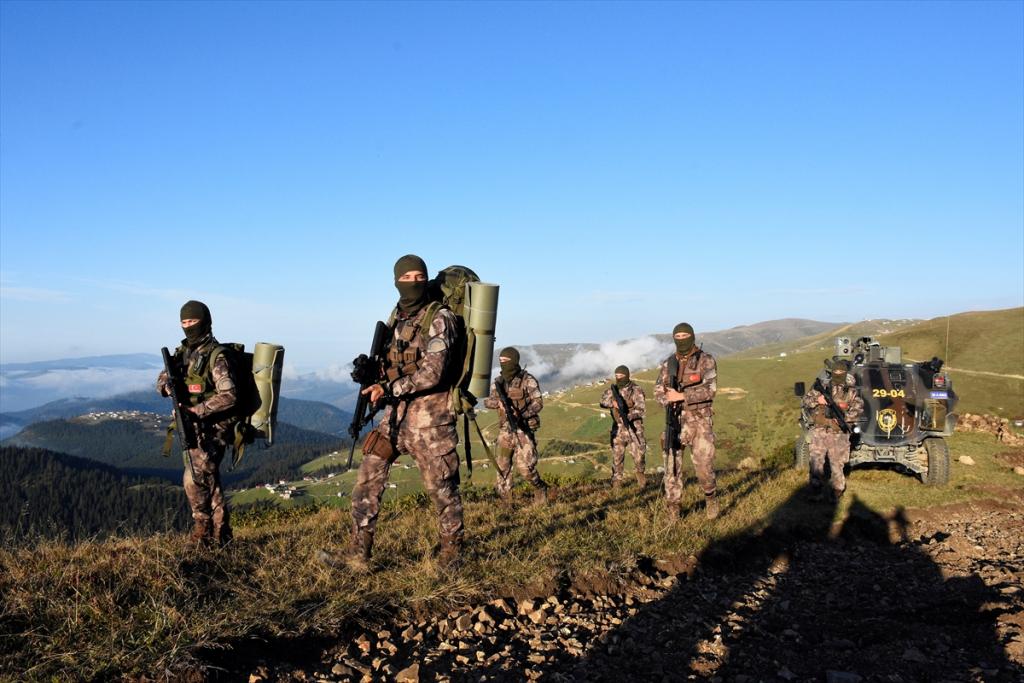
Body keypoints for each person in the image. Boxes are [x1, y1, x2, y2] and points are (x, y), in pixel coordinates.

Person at [322, 255, 465, 571]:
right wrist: (371, 373)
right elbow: (391, 362)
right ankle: (357, 554)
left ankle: (452, 556)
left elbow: (434, 373)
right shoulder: (396, 318)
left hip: (432, 421)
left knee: (442, 490)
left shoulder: (439, 318)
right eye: (407, 276)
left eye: (419, 276)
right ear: (396, 280)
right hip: (396, 419)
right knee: (368, 478)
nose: (413, 282)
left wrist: (388, 389)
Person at [157, 300, 237, 547]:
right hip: (190, 424)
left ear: (205, 321)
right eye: (184, 322)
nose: (188, 326)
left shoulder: (217, 356)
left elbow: (230, 395)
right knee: (207, 480)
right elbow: (160, 381)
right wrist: (167, 386)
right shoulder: (181, 354)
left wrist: (199, 410)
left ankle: (205, 530)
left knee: (194, 478)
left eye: (193, 321)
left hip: (215, 426)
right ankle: (219, 537)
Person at [654, 322, 720, 520]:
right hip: (675, 419)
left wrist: (681, 396)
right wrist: (666, 398)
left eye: (685, 335)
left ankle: (710, 498)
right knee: (671, 466)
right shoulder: (668, 363)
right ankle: (673, 508)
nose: (681, 339)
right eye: (678, 336)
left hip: (700, 420)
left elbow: (711, 390)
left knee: (703, 466)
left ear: (691, 336)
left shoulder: (705, 360)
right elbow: (658, 390)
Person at [483, 347, 550, 504]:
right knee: (503, 467)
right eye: (501, 361)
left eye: (506, 361)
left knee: (526, 467)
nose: (503, 363)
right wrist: (498, 403)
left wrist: (522, 414)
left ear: (514, 361)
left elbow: (538, 403)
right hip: (506, 431)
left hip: (523, 430)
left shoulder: (528, 380)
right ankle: (506, 501)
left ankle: (539, 487)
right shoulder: (498, 383)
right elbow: (487, 402)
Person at [800, 360, 864, 501]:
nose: (838, 374)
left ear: (845, 373)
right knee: (816, 462)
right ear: (832, 371)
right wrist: (818, 399)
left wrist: (845, 418)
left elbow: (858, 409)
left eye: (842, 372)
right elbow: (806, 400)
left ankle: (837, 492)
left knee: (837, 464)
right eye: (836, 372)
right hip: (819, 431)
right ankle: (816, 491)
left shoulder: (852, 391)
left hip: (839, 433)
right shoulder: (822, 386)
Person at [599, 365, 647, 488]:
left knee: (639, 455)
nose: (619, 378)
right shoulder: (612, 390)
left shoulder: (636, 390)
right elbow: (602, 402)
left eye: (621, 376)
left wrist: (628, 415)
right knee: (617, 457)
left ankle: (640, 475)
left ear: (627, 375)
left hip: (634, 428)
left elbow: (641, 410)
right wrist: (613, 403)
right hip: (618, 429)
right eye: (617, 376)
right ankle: (617, 483)